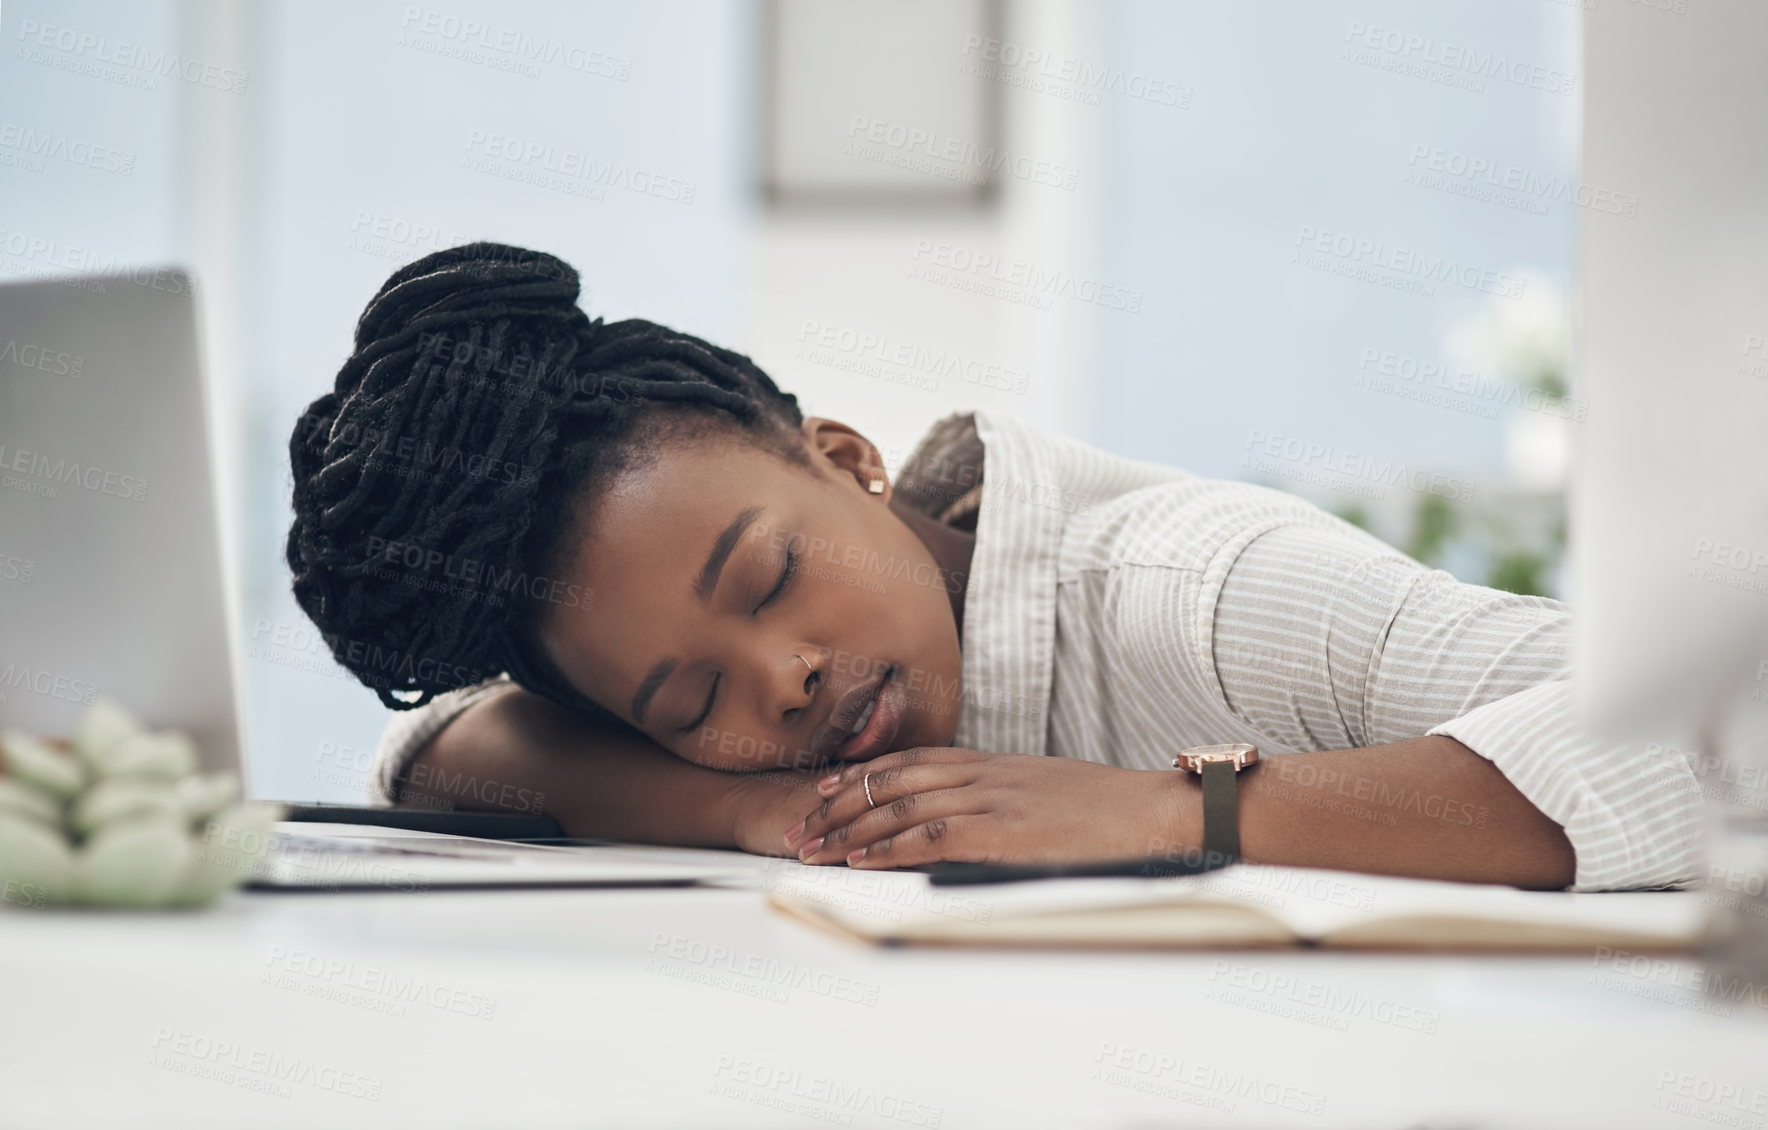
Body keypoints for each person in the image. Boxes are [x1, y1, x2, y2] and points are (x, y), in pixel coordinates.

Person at [285, 242, 1702, 892]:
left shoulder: (1200, 595)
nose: (782, 682)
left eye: (772, 577)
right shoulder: (765, 770)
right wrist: (740, 817)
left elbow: (1704, 718)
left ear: (844, 457)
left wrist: (1165, 813)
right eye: (684, 696)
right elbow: (438, 754)